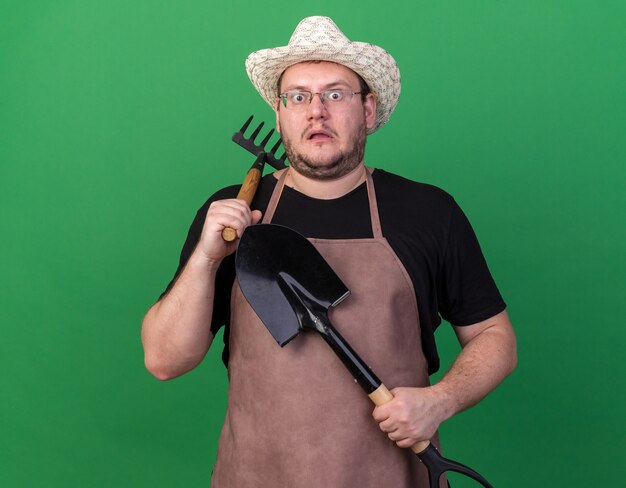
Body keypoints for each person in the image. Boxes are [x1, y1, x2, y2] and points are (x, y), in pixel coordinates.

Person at [141, 16, 517, 488]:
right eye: (298, 96)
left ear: (368, 109)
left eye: (335, 94)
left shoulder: (428, 212)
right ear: (279, 115)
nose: (316, 111)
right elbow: (163, 360)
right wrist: (206, 258)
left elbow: (494, 337)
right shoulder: (235, 214)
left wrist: (439, 401)